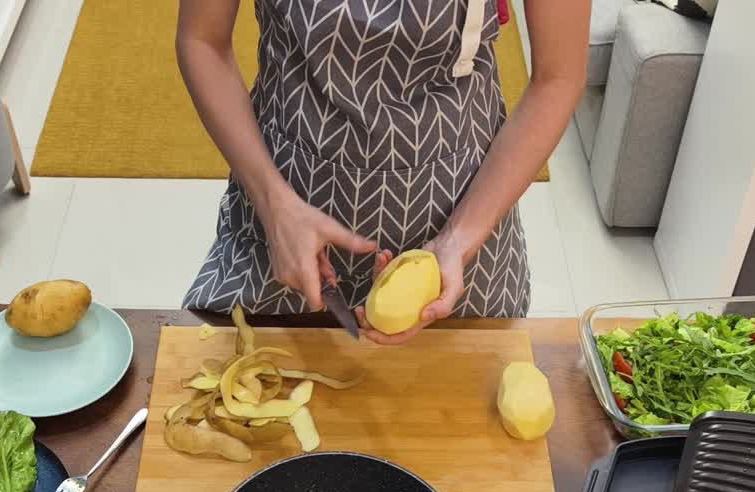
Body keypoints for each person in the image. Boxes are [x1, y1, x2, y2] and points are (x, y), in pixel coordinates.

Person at [179, 0, 589, 344]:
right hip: (281, 208)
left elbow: (558, 76)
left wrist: (458, 239)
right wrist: (274, 206)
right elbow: (203, 42)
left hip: (462, 216)